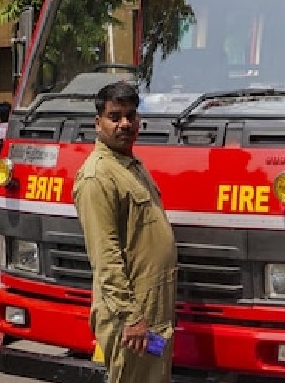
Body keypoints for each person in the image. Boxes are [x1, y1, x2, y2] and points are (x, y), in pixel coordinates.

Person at [73, 82, 177, 383]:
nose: (125, 124)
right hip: (132, 318)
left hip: (153, 313)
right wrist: (132, 318)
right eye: (115, 116)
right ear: (98, 123)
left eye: (131, 116)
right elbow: (106, 259)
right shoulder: (97, 177)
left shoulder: (130, 164)